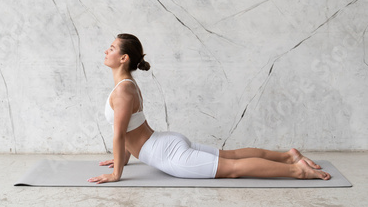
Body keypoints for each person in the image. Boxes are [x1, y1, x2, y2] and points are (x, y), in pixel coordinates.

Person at [87, 34, 331, 184]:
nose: (106, 51)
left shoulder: (122, 90)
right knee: (231, 155)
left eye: (111, 47)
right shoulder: (126, 87)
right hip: (165, 142)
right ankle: (289, 156)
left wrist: (116, 174)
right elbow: (130, 129)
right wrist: (123, 160)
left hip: (168, 154)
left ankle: (297, 171)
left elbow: (120, 134)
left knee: (233, 168)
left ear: (124, 58)